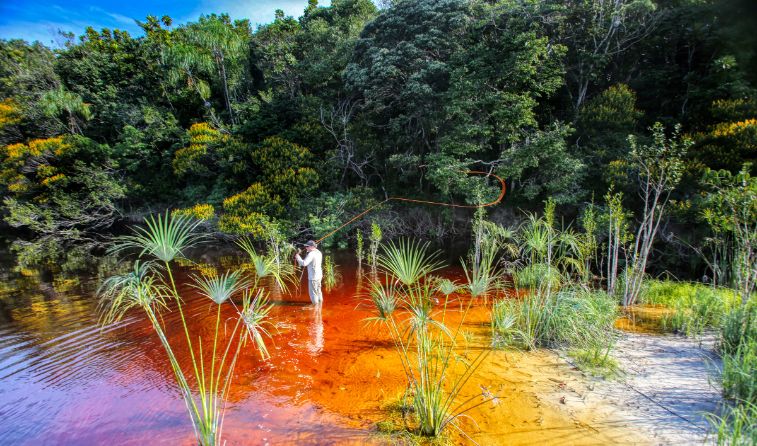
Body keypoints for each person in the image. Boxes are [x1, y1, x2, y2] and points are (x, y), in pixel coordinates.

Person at [295, 240, 323, 306]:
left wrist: (298, 257)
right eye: (305, 246)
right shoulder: (319, 252)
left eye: (307, 246)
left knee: (313, 293)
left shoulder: (311, 254)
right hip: (319, 275)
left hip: (313, 277)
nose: (306, 247)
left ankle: (315, 306)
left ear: (312, 247)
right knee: (318, 291)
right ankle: (321, 304)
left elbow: (304, 263)